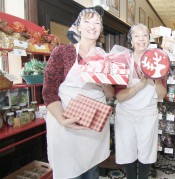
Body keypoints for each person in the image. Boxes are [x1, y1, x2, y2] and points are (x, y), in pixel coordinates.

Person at [42, 8, 114, 179]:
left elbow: (110, 94)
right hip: (64, 123)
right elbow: (49, 91)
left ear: (101, 29)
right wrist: (62, 119)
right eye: (87, 21)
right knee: (68, 172)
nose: (92, 26)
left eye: (97, 23)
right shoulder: (62, 52)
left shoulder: (106, 58)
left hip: (92, 122)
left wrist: (103, 78)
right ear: (78, 26)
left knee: (91, 171)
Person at [114, 23, 167, 179]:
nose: (141, 39)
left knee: (146, 152)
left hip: (148, 114)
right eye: (136, 36)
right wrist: (140, 84)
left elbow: (162, 95)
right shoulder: (123, 62)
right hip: (126, 114)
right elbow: (120, 96)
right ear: (131, 41)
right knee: (127, 151)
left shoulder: (158, 61)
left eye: (144, 35)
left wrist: (157, 78)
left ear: (149, 39)